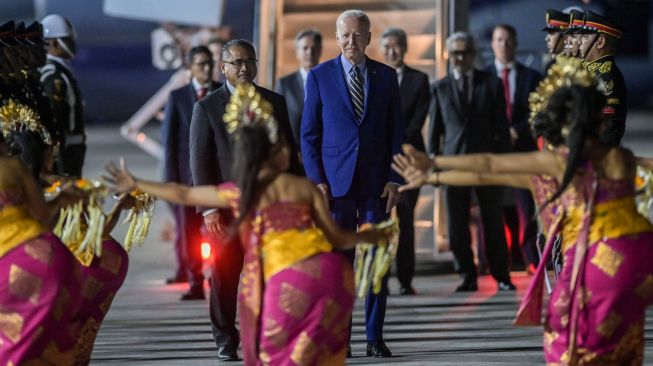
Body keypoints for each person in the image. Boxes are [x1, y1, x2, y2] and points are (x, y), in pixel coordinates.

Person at [104, 84, 391, 365]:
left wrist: (137, 183)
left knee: (279, 356)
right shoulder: (302, 188)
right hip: (328, 277)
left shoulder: (241, 193)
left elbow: (183, 192)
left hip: (284, 285)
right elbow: (337, 239)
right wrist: (370, 237)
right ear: (279, 155)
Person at [396, 72, 653, 365]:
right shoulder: (621, 157)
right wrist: (435, 174)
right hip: (638, 260)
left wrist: (434, 165)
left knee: (571, 342)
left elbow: (489, 165)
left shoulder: (557, 163)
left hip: (595, 263)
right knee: (623, 339)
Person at [189, 38, 301, 361]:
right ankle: (226, 338)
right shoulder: (207, 107)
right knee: (225, 277)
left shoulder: (274, 103)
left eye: (248, 61)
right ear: (222, 67)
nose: (242, 68)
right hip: (225, 211)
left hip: (267, 208)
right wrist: (209, 209)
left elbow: (288, 153)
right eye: (235, 62)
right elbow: (200, 159)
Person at [300, 9, 404, 357]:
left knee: (377, 262)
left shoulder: (387, 77)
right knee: (339, 267)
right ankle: (339, 340)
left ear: (369, 37)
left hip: (376, 186)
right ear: (337, 37)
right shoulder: (318, 76)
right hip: (337, 187)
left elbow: (396, 134)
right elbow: (309, 135)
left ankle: (374, 337)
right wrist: (316, 181)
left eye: (358, 35)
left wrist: (394, 178)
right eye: (345, 35)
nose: (351, 42)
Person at [429, 31, 514, 292]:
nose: (460, 57)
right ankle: (466, 275)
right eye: (455, 53)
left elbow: (501, 124)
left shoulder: (489, 83)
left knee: (492, 220)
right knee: (456, 224)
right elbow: (436, 130)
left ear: (473, 55)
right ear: (449, 55)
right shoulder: (440, 87)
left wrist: (502, 163)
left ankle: (501, 275)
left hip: (486, 162)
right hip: (453, 165)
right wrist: (434, 167)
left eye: (465, 52)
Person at [162, 45, 221, 299]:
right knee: (188, 233)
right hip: (186, 180)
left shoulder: (221, 92)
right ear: (191, 68)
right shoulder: (177, 97)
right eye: (201, 64)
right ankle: (195, 280)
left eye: (210, 63)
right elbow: (170, 143)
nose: (207, 68)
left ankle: (219, 280)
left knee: (219, 232)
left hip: (216, 179)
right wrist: (171, 181)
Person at [379, 27, 430, 296]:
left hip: (409, 161)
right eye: (386, 46)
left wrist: (397, 143)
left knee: (406, 220)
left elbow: (417, 120)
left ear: (405, 47)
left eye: (396, 45)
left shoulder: (420, 80)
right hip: (380, 162)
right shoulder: (373, 78)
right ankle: (382, 279)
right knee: (383, 221)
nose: (391, 51)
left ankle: (406, 280)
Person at [488, 24, 542, 270]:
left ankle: (530, 257)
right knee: (494, 206)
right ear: (492, 44)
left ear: (516, 43)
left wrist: (516, 130)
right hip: (494, 151)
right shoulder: (485, 77)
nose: (504, 45)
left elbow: (537, 112)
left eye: (509, 40)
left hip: (522, 149)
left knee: (526, 207)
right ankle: (498, 261)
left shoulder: (532, 77)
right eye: (499, 40)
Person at [39, 14, 86, 177]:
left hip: (72, 150)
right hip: (65, 152)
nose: (72, 44)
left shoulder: (62, 72)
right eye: (67, 40)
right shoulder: (54, 75)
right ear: (53, 43)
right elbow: (55, 118)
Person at [576, 10, 627, 147]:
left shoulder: (606, 76)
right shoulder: (591, 72)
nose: (579, 41)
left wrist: (594, 155)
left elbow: (610, 124)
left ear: (600, 42)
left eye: (585, 38)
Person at [275, 29, 322, 148]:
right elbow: (278, 121)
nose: (310, 52)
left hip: (323, 151)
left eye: (314, 48)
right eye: (305, 48)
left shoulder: (330, 82)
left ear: (320, 51)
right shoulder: (284, 84)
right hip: (295, 152)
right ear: (297, 52)